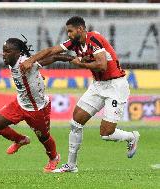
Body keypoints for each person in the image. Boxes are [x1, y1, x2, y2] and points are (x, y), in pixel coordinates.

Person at [20, 16, 140, 173]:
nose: (68, 34)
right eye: (67, 31)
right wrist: (31, 60)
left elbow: (102, 65)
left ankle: (131, 137)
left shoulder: (94, 39)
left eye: (70, 31)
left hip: (115, 86)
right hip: (98, 86)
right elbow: (51, 50)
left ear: (80, 29)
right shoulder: (75, 43)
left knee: (106, 134)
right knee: (75, 122)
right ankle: (71, 165)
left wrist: (80, 63)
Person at [0, 37, 73, 172]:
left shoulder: (25, 63)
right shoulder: (13, 61)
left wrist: (70, 59)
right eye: (3, 51)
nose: (4, 54)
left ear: (18, 53)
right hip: (20, 104)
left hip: (38, 109)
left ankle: (54, 157)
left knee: (44, 138)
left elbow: (52, 58)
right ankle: (20, 140)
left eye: (7, 51)